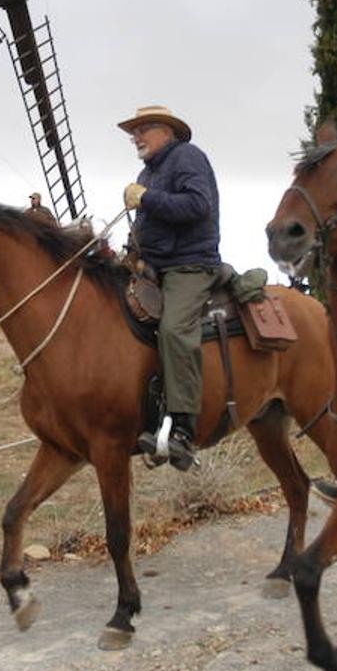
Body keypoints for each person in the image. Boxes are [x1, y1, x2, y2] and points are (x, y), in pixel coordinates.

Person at [118, 105, 221, 472]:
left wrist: (146, 198)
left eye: (143, 129)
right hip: (156, 266)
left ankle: (183, 430)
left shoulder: (187, 157)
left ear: (167, 131)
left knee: (176, 330)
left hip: (190, 264)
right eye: (134, 131)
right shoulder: (150, 170)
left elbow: (198, 205)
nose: (136, 137)